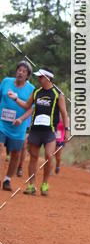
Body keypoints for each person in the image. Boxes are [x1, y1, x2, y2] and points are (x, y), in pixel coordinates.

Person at [9, 68, 70, 196]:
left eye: (40, 77)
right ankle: (31, 185)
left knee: (49, 156)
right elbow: (27, 106)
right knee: (34, 158)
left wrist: (67, 130)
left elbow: (64, 114)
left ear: (47, 78)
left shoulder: (58, 94)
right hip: (35, 130)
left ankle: (45, 184)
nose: (38, 79)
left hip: (50, 131)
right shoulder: (36, 92)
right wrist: (15, 98)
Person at [1, 61, 35, 192]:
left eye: (24, 71)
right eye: (19, 70)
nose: (20, 72)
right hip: (1, 122)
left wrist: (21, 119)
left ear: (27, 76)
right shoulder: (6, 82)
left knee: (15, 154)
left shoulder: (31, 89)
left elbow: (31, 109)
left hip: (18, 126)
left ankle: (7, 179)